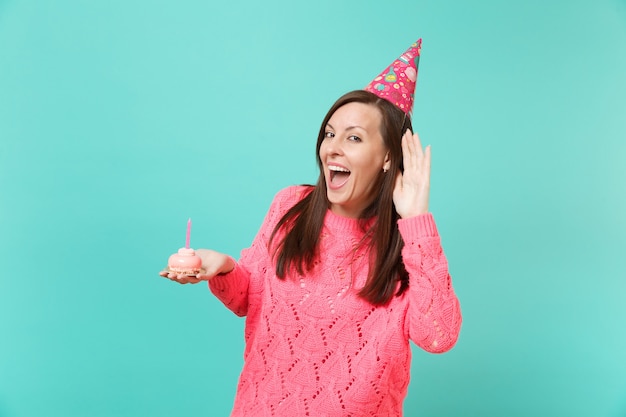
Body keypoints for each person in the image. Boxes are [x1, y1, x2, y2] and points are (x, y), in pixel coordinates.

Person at [160, 39, 462, 416]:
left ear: (387, 156)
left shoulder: (408, 243)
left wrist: (417, 220)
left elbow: (438, 336)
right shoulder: (290, 206)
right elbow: (247, 298)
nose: (332, 147)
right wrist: (222, 267)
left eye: (353, 137)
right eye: (330, 133)